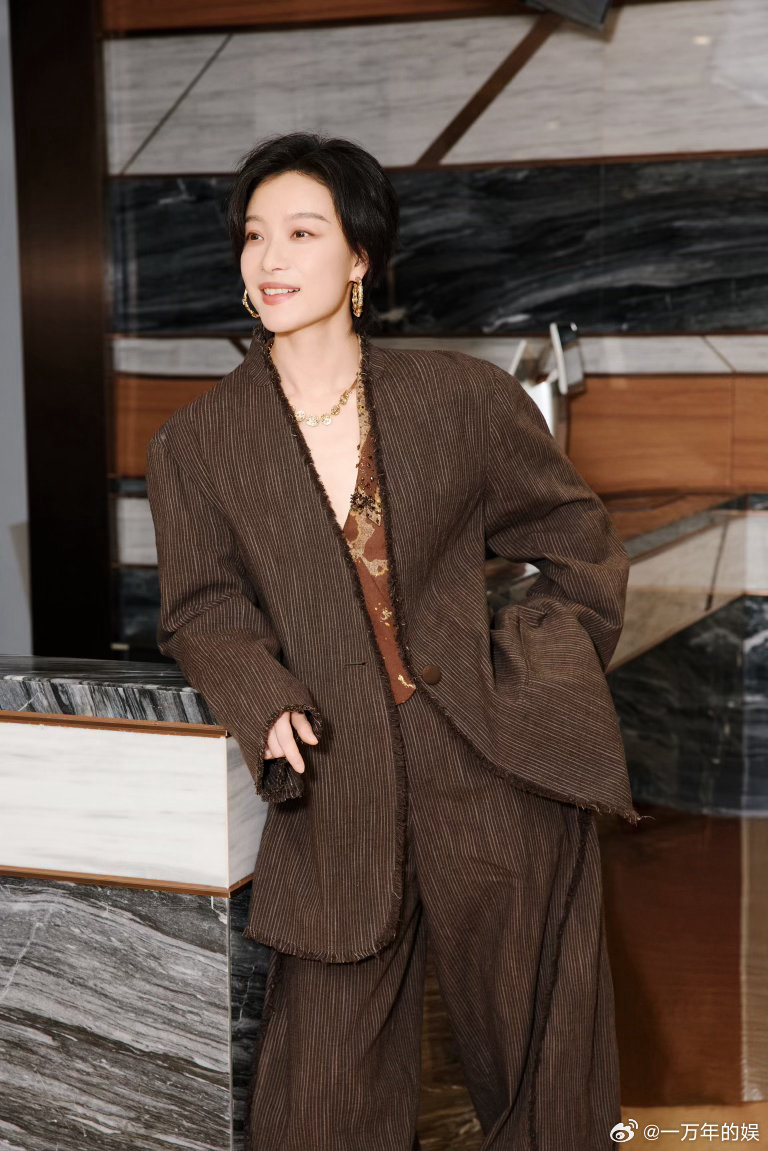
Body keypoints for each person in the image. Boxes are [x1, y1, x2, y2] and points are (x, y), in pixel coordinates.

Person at [146, 131, 640, 1151]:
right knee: (320, 1098)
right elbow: (202, 606)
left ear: (360, 256)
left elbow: (577, 541)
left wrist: (543, 674)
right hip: (335, 781)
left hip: (491, 766)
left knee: (546, 1070)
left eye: (302, 232)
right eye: (254, 235)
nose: (269, 258)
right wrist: (261, 693)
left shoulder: (460, 399)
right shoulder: (196, 443)